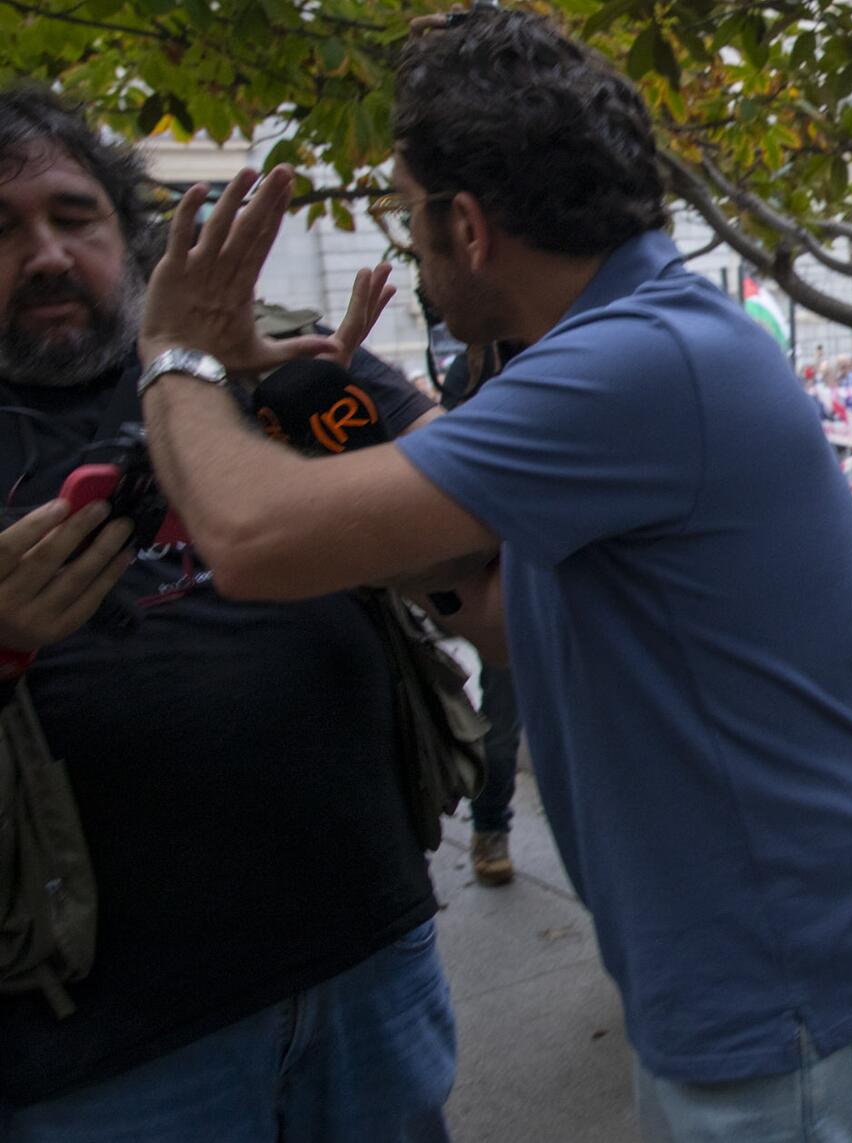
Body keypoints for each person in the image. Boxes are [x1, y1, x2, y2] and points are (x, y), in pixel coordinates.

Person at [131, 10, 852, 1142]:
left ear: (467, 227)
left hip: (793, 1019)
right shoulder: (639, 344)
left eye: (408, 215)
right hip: (781, 998)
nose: (414, 250)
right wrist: (335, 449)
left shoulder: (634, 363)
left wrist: (176, 354)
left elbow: (249, 537)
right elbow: (502, 611)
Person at [0, 84, 454, 1141]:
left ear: (129, 233)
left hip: (366, 959)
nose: (49, 256)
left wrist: (321, 416)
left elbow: (467, 495)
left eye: (74, 218)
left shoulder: (254, 357)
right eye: (4, 230)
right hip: (107, 1048)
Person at [435, 339, 523, 887]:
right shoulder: (472, 366)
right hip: (507, 564)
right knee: (504, 715)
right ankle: (490, 828)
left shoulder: (573, 343)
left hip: (573, 555)